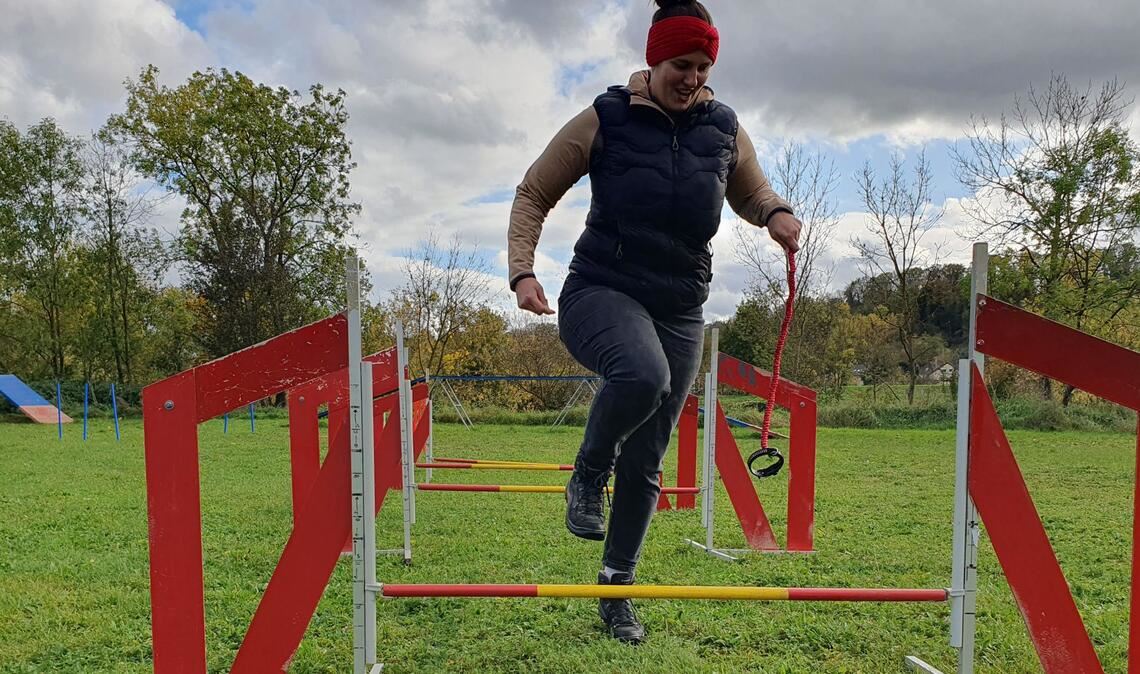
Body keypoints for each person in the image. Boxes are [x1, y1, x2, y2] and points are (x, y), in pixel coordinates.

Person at [506, 0, 801, 644]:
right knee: (643, 374)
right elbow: (534, 190)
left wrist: (774, 212)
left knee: (647, 457)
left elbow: (751, 190)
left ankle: (618, 592)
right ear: (652, 60)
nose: (691, 77)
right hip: (600, 293)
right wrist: (523, 272)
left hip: (680, 308)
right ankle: (587, 473)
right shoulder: (605, 118)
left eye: (701, 66)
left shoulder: (723, 128)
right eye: (679, 64)